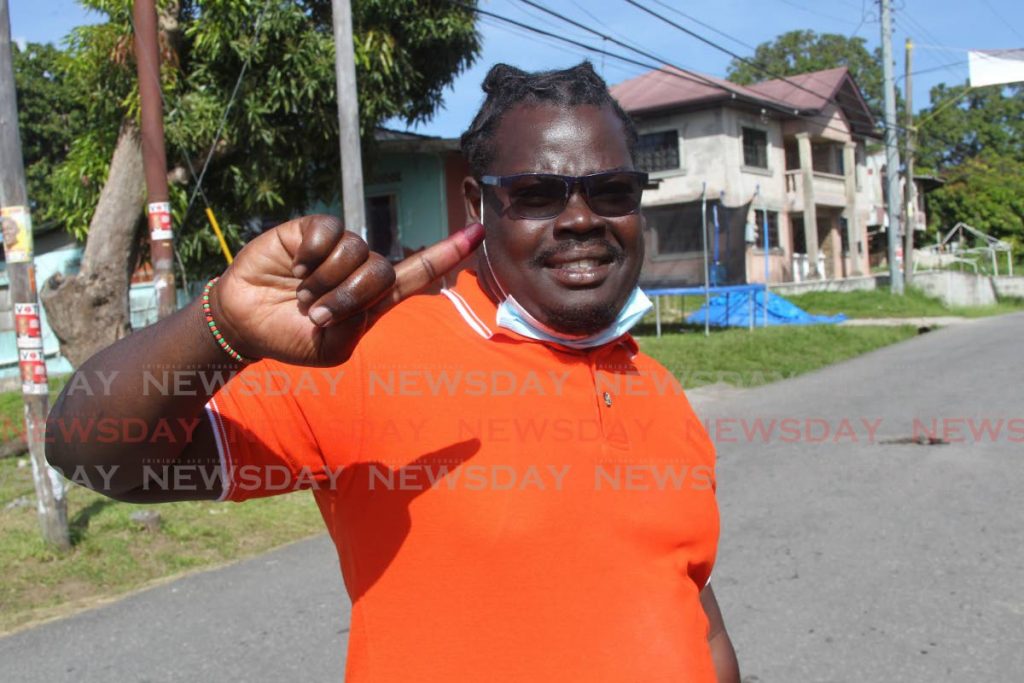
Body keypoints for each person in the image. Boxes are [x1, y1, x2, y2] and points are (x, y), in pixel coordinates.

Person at [46, 62, 739, 682]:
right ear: (477, 206)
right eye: (537, 194)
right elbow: (98, 454)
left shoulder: (653, 385)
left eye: (612, 190)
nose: (582, 218)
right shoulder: (373, 354)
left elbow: (693, 610)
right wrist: (221, 326)